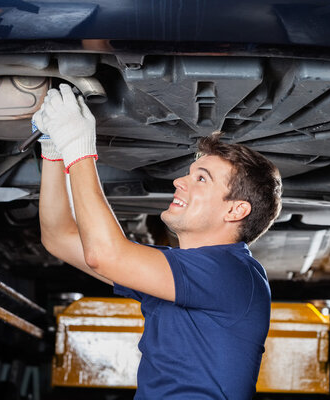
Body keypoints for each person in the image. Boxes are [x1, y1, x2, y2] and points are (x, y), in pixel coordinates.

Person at [34, 84, 282, 399]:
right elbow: (59, 237)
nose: (179, 181)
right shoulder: (177, 276)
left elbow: (104, 255)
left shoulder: (233, 274)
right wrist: (53, 147)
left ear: (236, 210)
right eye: (189, 173)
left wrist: (77, 146)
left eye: (201, 178)